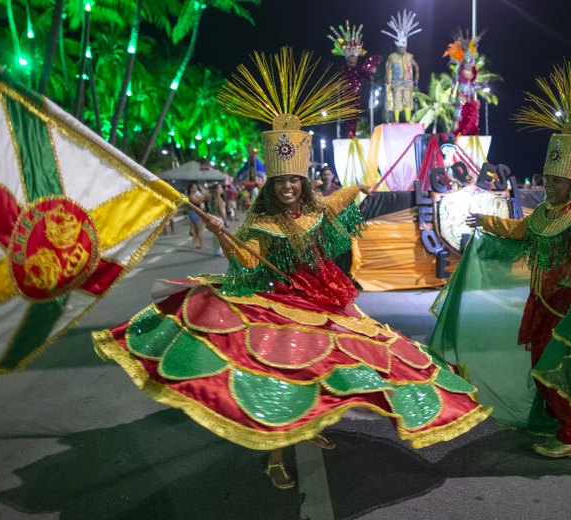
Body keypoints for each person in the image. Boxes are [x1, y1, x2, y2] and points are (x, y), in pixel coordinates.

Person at [94, 48, 489, 491]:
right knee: (277, 374)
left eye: (293, 181)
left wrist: (359, 187)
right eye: (280, 181)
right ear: (272, 183)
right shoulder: (262, 221)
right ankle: (274, 456)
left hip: (321, 300)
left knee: (332, 365)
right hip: (275, 305)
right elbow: (246, 260)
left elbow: (338, 203)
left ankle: (311, 425)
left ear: (302, 181)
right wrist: (226, 235)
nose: (287, 188)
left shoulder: (317, 211)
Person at [431, 58, 571, 458]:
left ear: (570, 179)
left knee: (557, 370)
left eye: (554, 180)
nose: (547, 184)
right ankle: (559, 427)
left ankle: (570, 437)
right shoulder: (543, 212)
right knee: (541, 368)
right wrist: (485, 220)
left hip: (567, 310)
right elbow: (519, 231)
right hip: (540, 304)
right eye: (547, 178)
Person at [327, 20, 382, 137]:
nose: (354, 59)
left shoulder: (358, 70)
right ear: (347, 58)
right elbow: (337, 80)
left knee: (355, 115)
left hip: (357, 96)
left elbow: (365, 78)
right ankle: (348, 132)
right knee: (347, 116)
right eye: (352, 56)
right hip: (345, 96)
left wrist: (371, 72)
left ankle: (353, 132)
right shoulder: (343, 69)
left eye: (356, 57)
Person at [382, 10, 421, 123]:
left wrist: (417, 72)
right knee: (397, 101)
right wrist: (387, 77)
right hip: (397, 82)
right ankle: (397, 120)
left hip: (408, 82)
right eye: (401, 48)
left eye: (404, 47)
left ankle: (408, 119)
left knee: (408, 100)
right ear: (398, 47)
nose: (403, 49)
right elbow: (388, 68)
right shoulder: (393, 56)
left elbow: (416, 65)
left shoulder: (409, 56)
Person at [186, 182, 206, 250]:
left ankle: (194, 244)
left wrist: (202, 196)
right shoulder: (191, 196)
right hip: (193, 213)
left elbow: (201, 199)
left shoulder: (195, 194)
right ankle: (202, 245)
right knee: (199, 229)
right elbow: (198, 202)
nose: (196, 188)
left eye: (196, 187)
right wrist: (204, 194)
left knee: (196, 230)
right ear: (191, 189)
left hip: (196, 213)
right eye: (194, 187)